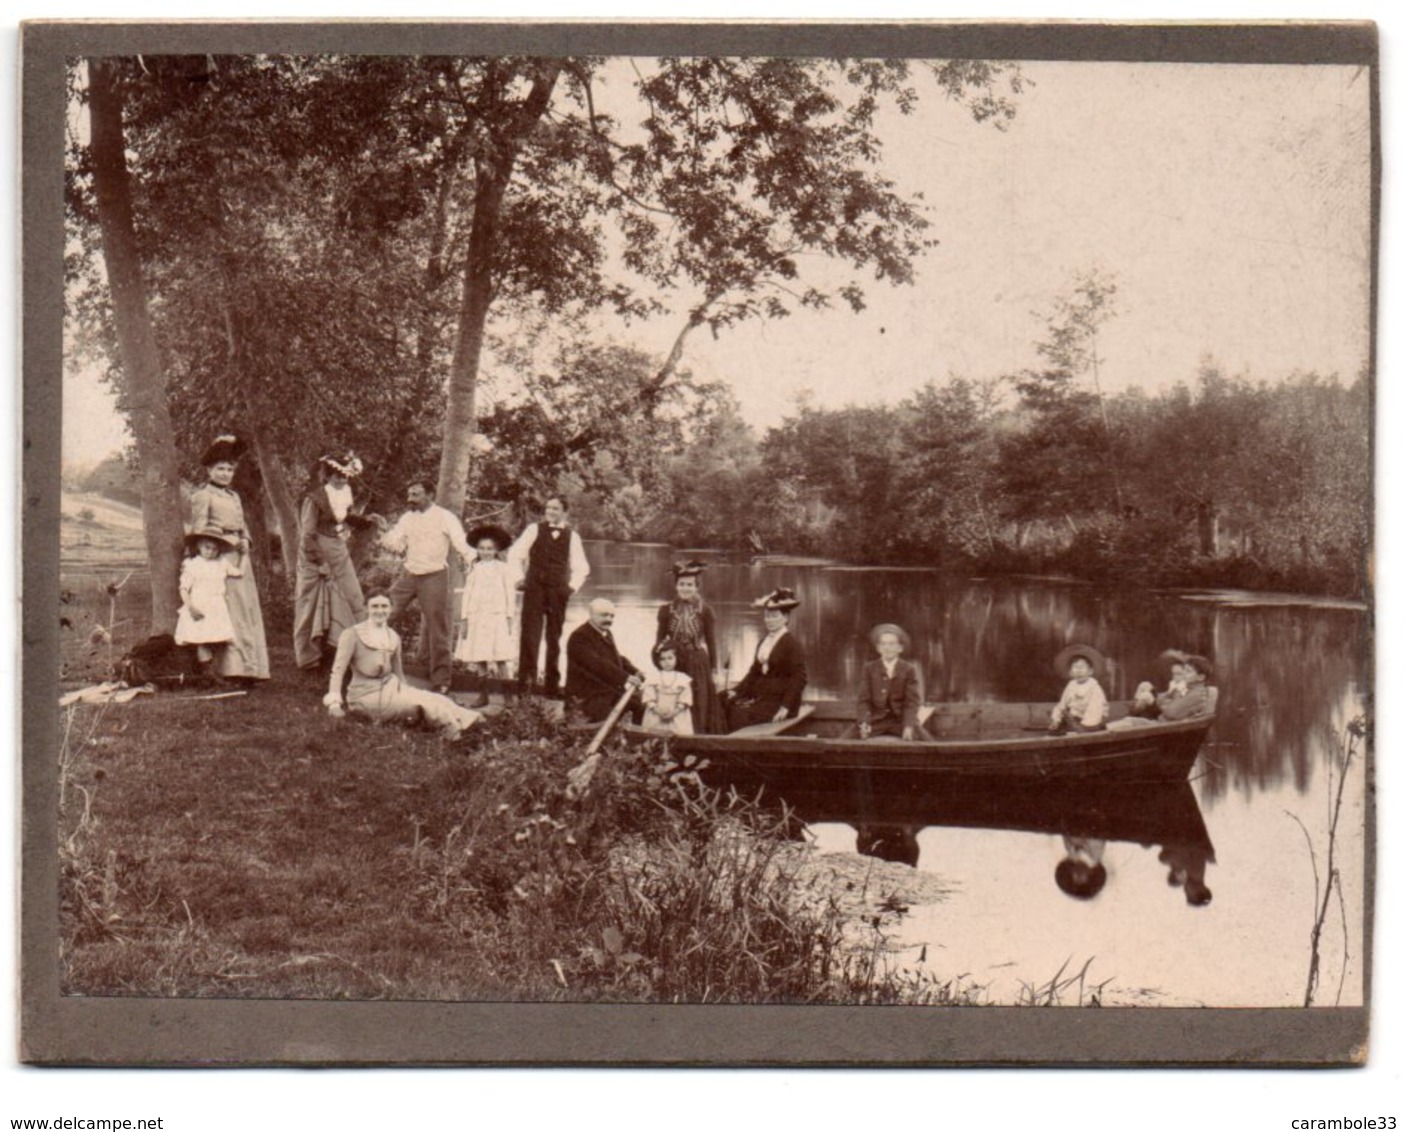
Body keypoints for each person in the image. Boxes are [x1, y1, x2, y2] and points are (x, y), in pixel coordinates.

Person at [323, 590, 483, 740]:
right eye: (375, 606)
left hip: (392, 689)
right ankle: (458, 738)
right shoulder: (352, 634)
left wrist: (409, 692)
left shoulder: (393, 637)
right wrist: (334, 704)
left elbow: (398, 673)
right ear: (366, 608)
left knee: (437, 699)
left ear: (391, 608)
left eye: (384, 606)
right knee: (423, 705)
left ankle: (476, 723)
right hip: (365, 697)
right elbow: (338, 670)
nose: (380, 611)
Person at [379, 477, 473, 695]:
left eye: (416, 494)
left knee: (438, 628)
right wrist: (384, 534)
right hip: (410, 574)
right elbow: (395, 543)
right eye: (410, 494)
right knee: (383, 612)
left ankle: (441, 680)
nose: (410, 498)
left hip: (435, 576)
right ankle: (371, 665)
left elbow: (461, 543)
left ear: (430, 495)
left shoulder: (445, 517)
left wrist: (475, 560)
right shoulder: (407, 518)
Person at [188, 433, 269, 682]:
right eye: (220, 469)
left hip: (239, 557)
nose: (225, 474)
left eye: (229, 469)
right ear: (210, 470)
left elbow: (242, 523)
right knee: (228, 610)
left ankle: (251, 666)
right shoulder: (203, 495)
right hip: (218, 559)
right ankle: (229, 668)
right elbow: (199, 530)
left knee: (246, 609)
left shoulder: (234, 496)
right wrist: (222, 539)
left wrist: (245, 539)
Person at [293, 451, 385, 671]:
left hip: (337, 548)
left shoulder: (345, 492)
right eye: (336, 476)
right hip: (315, 550)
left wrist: (366, 520)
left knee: (351, 596)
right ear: (326, 476)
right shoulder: (314, 498)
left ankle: (349, 651)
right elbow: (307, 533)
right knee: (312, 602)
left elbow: (345, 517)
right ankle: (309, 659)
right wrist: (319, 560)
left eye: (344, 477)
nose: (341, 480)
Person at [509, 497, 590, 697]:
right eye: (548, 508)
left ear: (565, 512)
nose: (550, 511)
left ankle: (551, 688)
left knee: (554, 638)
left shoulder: (573, 537)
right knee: (530, 636)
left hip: (558, 592)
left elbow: (582, 568)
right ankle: (526, 687)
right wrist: (519, 579)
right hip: (534, 589)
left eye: (555, 508)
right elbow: (514, 554)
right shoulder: (533, 530)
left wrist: (570, 588)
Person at [724, 588, 808, 731]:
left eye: (774, 616)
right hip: (762, 698)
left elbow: (799, 678)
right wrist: (736, 691)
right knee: (723, 700)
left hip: (780, 703)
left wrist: (785, 707)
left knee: (739, 715)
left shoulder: (792, 644)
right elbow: (754, 673)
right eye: (767, 616)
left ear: (786, 617)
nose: (769, 620)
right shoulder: (764, 642)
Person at [655, 561, 725, 733]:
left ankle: (698, 734)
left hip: (698, 662)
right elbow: (659, 642)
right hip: (675, 663)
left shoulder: (705, 610)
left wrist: (714, 670)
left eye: (690, 585)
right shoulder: (666, 610)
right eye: (682, 584)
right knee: (675, 699)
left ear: (696, 587)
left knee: (698, 700)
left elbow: (711, 641)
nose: (686, 588)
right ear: (676, 586)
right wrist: (661, 665)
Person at [454, 524, 518, 702]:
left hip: (496, 616)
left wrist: (509, 617)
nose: (485, 552)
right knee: (479, 654)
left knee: (501, 656)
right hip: (477, 616)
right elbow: (467, 594)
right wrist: (465, 618)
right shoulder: (474, 568)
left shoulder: (503, 569)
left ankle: (508, 697)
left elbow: (509, 594)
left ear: (497, 550)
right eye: (482, 548)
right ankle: (483, 695)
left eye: (489, 549)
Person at [564, 598, 644, 724]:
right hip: (587, 696)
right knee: (606, 721)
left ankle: (636, 739)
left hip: (607, 691)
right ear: (591, 614)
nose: (609, 619)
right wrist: (625, 677)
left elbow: (616, 657)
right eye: (604, 615)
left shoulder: (605, 632)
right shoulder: (579, 637)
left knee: (641, 706)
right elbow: (596, 664)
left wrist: (634, 670)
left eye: (612, 616)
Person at [173, 530, 242, 675]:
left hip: (216, 606)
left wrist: (244, 552)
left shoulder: (222, 563)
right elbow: (184, 588)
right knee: (201, 640)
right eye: (207, 548)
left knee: (217, 639)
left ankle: (215, 672)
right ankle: (207, 675)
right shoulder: (192, 564)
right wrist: (190, 607)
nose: (210, 552)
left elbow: (239, 572)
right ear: (199, 547)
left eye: (214, 549)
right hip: (199, 604)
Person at [857, 623, 922, 740]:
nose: (887, 648)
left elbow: (911, 702)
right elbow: (863, 700)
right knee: (844, 741)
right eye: (883, 644)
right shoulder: (869, 668)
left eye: (892, 644)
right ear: (878, 648)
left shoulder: (908, 669)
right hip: (875, 721)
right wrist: (864, 722)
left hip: (900, 721)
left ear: (900, 648)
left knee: (928, 744)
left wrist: (908, 725)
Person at [1131, 651, 1217, 722]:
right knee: (1145, 688)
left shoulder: (1197, 694)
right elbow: (1166, 699)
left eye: (1188, 671)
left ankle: (1132, 714)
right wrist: (1165, 702)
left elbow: (1171, 713)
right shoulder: (1188, 688)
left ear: (1200, 677)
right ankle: (1132, 713)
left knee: (1129, 722)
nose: (1184, 675)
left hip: (1163, 727)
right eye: (1184, 671)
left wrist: (1163, 703)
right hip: (1161, 722)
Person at [1049, 644, 1109, 733]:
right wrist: (1056, 719)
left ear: (1090, 671)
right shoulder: (1071, 685)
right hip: (1075, 719)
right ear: (1070, 672)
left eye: (1082, 667)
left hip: (1093, 721)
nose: (1079, 671)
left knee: (1086, 730)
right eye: (1075, 667)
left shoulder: (1094, 687)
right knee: (1055, 728)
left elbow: (1095, 709)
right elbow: (1062, 705)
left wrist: (1085, 726)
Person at [641, 639, 694, 735]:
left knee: (678, 735)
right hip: (657, 714)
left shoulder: (683, 678)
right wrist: (656, 710)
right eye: (663, 659)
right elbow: (649, 697)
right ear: (658, 661)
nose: (666, 662)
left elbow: (685, 698)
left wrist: (675, 712)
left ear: (677, 658)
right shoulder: (653, 678)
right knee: (654, 736)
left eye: (670, 658)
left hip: (676, 714)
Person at [1054, 835, 1108, 900]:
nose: (1077, 875)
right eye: (1081, 879)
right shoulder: (1094, 855)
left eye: (1075, 878)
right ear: (1091, 874)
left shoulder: (1071, 852)